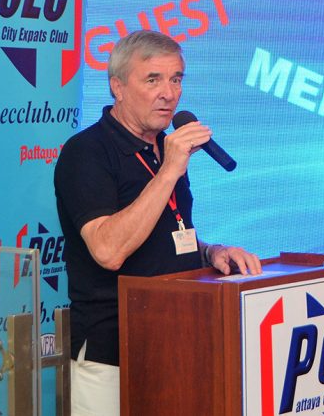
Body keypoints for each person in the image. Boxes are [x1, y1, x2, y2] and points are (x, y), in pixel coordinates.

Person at [54, 30, 261, 416]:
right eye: (153, 80)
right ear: (117, 87)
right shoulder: (87, 152)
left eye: (176, 79)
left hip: (175, 345)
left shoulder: (164, 149)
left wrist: (210, 252)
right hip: (111, 356)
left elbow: (164, 237)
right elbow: (108, 250)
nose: (169, 93)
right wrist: (169, 171)